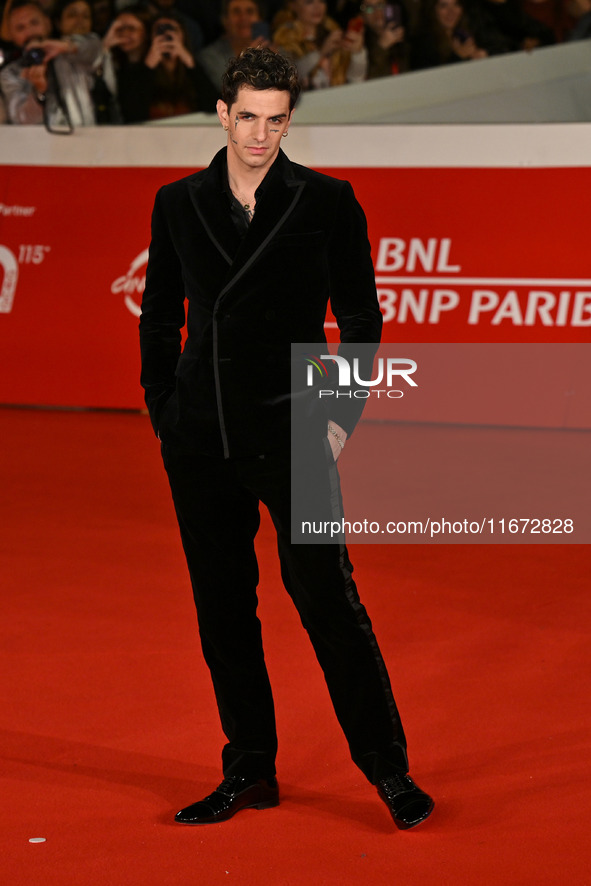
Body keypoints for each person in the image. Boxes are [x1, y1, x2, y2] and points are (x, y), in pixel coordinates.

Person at [139, 46, 434, 830]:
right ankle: (248, 771)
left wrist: (336, 418)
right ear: (222, 114)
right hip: (200, 435)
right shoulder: (177, 201)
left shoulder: (328, 202)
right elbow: (160, 311)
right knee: (223, 611)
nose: (261, 135)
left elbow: (362, 321)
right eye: (248, 118)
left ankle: (387, 771)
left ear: (288, 120)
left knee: (329, 603)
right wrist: (162, 406)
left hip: (295, 429)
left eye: (276, 121)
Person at [0, 0, 106, 124]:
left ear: (48, 23)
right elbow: (22, 120)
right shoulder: (10, 73)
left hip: (86, 138)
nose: (29, 32)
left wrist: (67, 47)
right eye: (20, 28)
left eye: (34, 22)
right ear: (12, 35)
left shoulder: (71, 54)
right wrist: (38, 92)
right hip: (42, 142)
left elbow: (96, 49)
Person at [273, 0, 367, 89]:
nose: (317, 7)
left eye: (322, 1)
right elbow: (289, 77)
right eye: (309, 2)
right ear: (293, 6)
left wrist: (357, 53)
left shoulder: (334, 33)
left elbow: (356, 81)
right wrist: (321, 53)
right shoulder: (285, 40)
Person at [197, 0, 269, 92]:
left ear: (260, 19)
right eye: (236, 12)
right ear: (224, 20)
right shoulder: (209, 57)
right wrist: (247, 59)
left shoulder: (276, 52)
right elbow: (226, 92)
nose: (243, 17)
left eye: (250, 11)